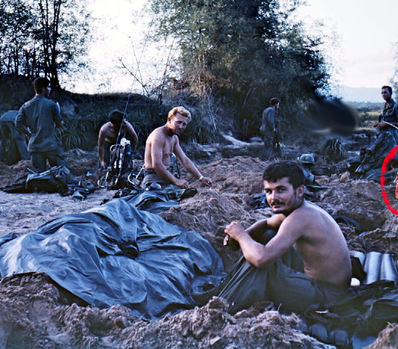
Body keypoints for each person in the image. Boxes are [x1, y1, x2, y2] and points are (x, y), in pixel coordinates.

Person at [219, 160, 352, 314]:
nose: (273, 197)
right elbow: (267, 224)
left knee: (261, 262)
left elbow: (261, 260)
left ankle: (224, 305)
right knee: (267, 236)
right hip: (321, 285)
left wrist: (241, 236)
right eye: (269, 191)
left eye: (281, 190)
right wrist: (244, 235)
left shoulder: (302, 217)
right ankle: (223, 291)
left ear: (300, 191)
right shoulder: (299, 210)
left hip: (328, 296)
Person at [142, 106, 212, 189]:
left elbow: (184, 160)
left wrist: (201, 177)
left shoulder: (174, 138)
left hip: (166, 177)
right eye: (178, 122)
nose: (181, 126)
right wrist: (176, 181)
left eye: (184, 124)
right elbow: (156, 165)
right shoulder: (158, 135)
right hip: (153, 178)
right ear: (169, 120)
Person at [16, 77, 67, 172]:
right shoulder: (51, 105)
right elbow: (59, 123)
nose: (50, 89)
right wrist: (61, 122)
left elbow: (18, 124)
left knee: (40, 176)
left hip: (35, 146)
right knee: (61, 171)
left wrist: (28, 134)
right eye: (48, 87)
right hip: (51, 145)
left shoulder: (25, 106)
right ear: (43, 89)